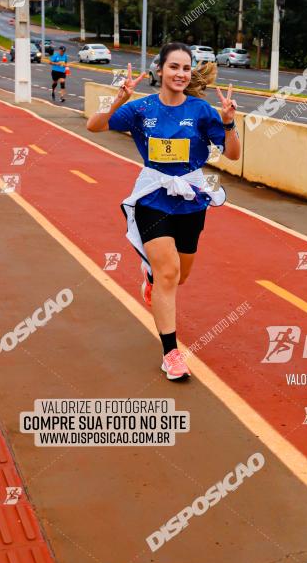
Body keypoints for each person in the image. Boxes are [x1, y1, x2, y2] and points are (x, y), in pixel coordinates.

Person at [87, 43, 241, 380]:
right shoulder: (141, 109)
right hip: (153, 195)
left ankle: (152, 281)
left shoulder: (202, 111)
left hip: (191, 197)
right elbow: (94, 126)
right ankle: (171, 353)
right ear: (160, 70)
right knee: (170, 272)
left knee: (179, 275)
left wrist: (229, 123)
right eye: (174, 67)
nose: (180, 74)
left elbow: (232, 155)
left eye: (186, 68)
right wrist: (119, 99)